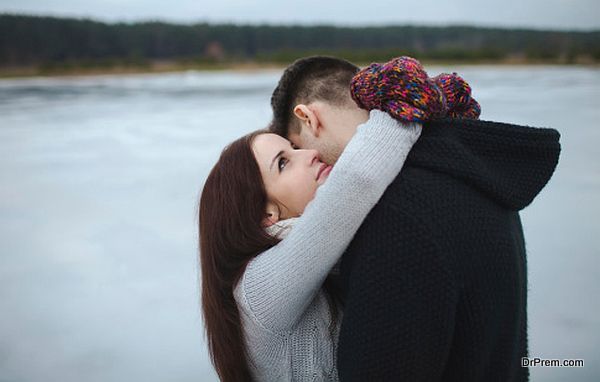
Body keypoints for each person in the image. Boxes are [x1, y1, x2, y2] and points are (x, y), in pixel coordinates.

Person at [269, 56, 561, 381]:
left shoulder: (394, 213)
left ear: (307, 119)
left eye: (295, 148)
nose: (309, 160)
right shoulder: (477, 174)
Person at [199, 108, 421, 380]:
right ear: (267, 215)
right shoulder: (257, 290)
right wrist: (403, 107)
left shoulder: (337, 259)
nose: (309, 153)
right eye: (283, 163)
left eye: (294, 147)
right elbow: (356, 180)